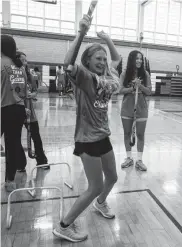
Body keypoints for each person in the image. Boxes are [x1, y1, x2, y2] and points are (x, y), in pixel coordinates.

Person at [52, 16, 120, 242]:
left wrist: (108, 40)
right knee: (94, 186)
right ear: (88, 61)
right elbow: (67, 63)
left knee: (112, 177)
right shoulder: (83, 77)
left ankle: (100, 204)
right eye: (98, 58)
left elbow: (117, 59)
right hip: (86, 139)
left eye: (103, 59)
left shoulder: (106, 78)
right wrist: (81, 32)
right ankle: (64, 225)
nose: (102, 62)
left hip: (103, 136)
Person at [1, 35, 29, 192]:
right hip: (18, 109)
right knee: (12, 146)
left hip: (3, 108)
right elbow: (24, 92)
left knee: (11, 145)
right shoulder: (19, 66)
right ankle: (10, 181)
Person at [119, 50, 152, 171]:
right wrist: (132, 88)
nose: (139, 61)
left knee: (140, 134)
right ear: (132, 59)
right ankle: (129, 158)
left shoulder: (146, 74)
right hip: (127, 108)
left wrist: (140, 86)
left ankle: (139, 160)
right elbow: (120, 90)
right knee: (127, 133)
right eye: (137, 58)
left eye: (140, 59)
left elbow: (149, 92)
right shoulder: (124, 74)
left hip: (141, 108)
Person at [16, 51, 49, 171]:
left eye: (26, 60)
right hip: (17, 109)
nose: (25, 62)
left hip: (30, 111)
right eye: (22, 60)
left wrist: (31, 95)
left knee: (36, 136)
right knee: (15, 137)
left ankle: (41, 160)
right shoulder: (13, 76)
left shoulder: (29, 75)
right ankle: (20, 163)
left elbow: (36, 91)